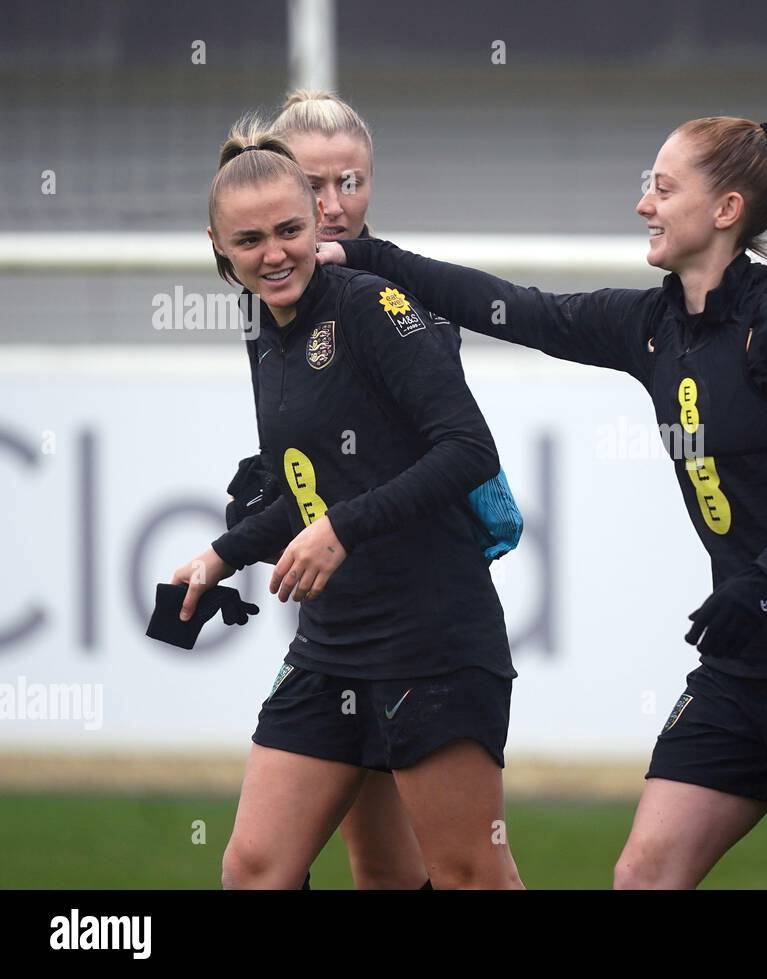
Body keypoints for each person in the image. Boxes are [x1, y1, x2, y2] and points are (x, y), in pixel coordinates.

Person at [321, 108, 767, 889]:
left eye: (662, 187)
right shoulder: (651, 324)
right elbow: (516, 307)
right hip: (743, 668)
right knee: (642, 875)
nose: (644, 203)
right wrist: (370, 254)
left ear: (726, 211)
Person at [173, 116, 523, 889]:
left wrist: (343, 526)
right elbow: (310, 487)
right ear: (218, 246)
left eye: (291, 229)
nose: (274, 253)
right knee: (256, 867)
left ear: (315, 223)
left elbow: (470, 451)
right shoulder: (261, 322)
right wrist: (220, 554)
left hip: (431, 637)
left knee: (469, 874)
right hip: (332, 645)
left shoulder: (374, 305)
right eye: (250, 240)